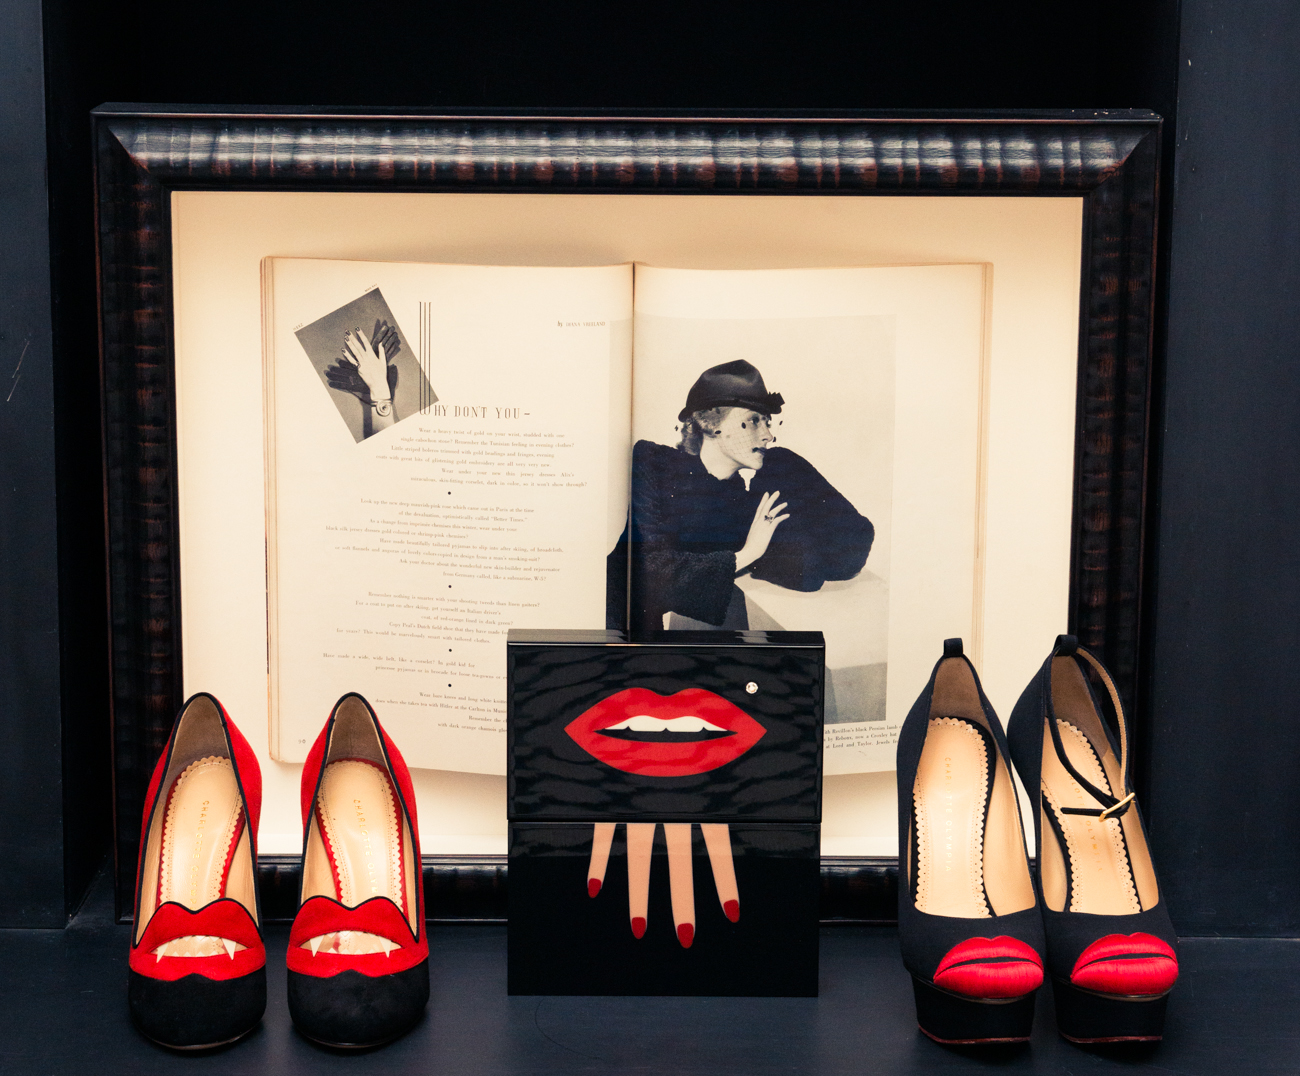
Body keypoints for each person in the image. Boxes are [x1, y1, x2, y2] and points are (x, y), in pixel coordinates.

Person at [627, 359, 875, 633]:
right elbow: (647, 571)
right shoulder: (652, 462)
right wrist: (749, 554)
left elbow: (839, 557)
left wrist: (788, 469)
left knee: (780, 459)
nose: (768, 435)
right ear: (710, 424)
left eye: (767, 422)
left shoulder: (740, 506)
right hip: (616, 634)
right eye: (753, 421)